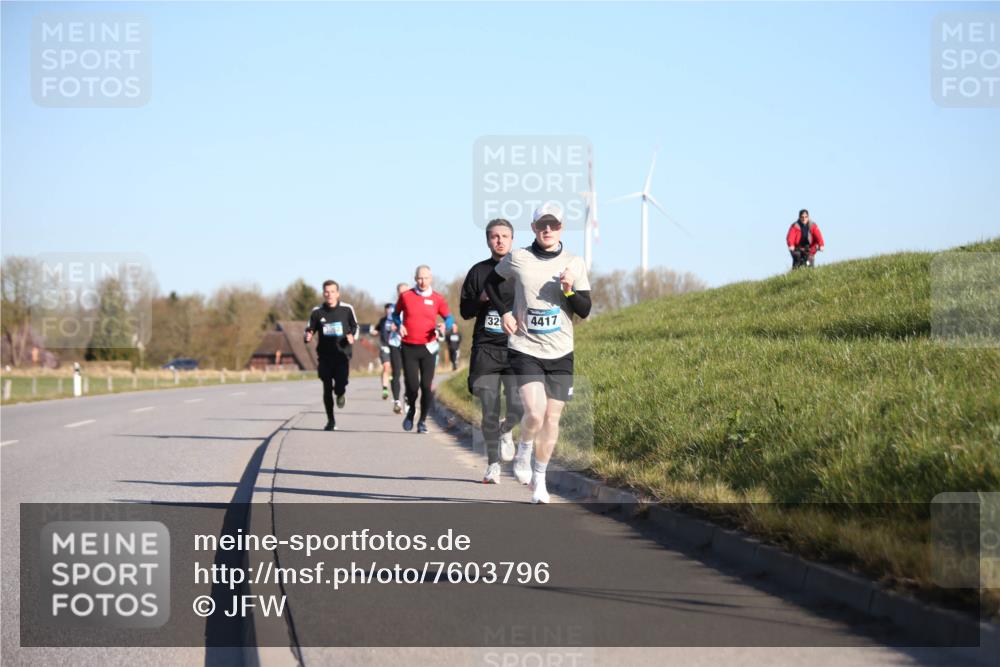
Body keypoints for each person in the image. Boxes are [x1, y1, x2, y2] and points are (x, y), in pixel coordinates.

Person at [485, 203, 591, 503]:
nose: (547, 229)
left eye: (553, 225)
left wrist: (569, 290)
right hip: (525, 347)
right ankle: (524, 451)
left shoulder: (574, 263)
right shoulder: (519, 258)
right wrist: (504, 312)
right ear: (533, 228)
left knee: (551, 419)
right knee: (535, 412)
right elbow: (491, 283)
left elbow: (584, 310)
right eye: (542, 225)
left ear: (561, 227)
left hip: (561, 352)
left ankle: (540, 479)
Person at [461, 218, 525, 484]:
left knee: (519, 404)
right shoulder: (478, 272)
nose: (499, 240)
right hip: (486, 348)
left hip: (516, 347)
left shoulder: (522, 269)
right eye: (494, 236)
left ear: (512, 239)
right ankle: (492, 464)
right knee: (489, 407)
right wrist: (481, 300)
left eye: (504, 236)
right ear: (488, 240)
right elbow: (465, 311)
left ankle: (506, 429)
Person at [394, 265, 457, 433]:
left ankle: (422, 421)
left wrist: (445, 326)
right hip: (409, 347)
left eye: (426, 278)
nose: (422, 281)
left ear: (431, 278)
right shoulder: (406, 296)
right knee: (412, 387)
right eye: (420, 278)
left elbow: (449, 318)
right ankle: (411, 412)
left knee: (426, 386)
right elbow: (395, 314)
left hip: (429, 348)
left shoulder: (437, 298)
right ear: (415, 279)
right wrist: (399, 325)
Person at [304, 280, 358, 431]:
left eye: (332, 291)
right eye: (326, 292)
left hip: (342, 355)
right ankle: (330, 420)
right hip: (325, 356)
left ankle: (340, 394)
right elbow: (309, 329)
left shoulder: (347, 309)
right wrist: (308, 336)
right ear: (323, 293)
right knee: (326, 387)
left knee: (340, 386)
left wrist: (352, 336)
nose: (329, 294)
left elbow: (355, 326)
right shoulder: (317, 311)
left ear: (338, 293)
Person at [376, 300, 404, 412]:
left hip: (396, 346)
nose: (388, 311)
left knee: (395, 370)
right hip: (385, 346)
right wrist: (374, 332)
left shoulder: (399, 319)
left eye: (390, 309)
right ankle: (385, 388)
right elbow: (376, 330)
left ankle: (392, 381)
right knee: (386, 367)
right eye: (387, 309)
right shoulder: (383, 321)